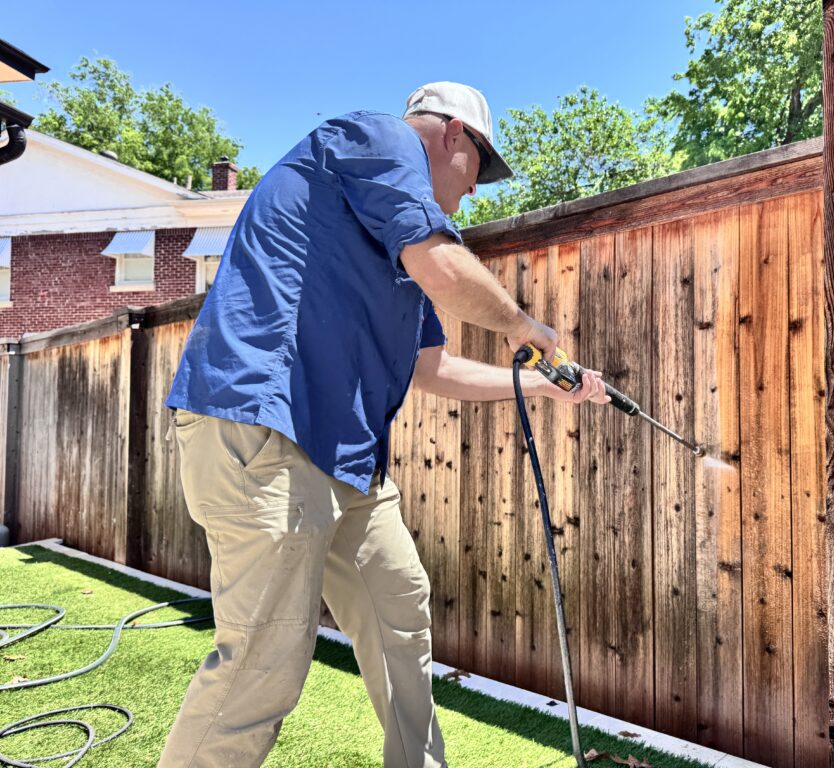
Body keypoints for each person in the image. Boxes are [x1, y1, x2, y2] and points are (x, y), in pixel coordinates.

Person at [158, 81, 609, 768]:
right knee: (261, 665)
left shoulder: (401, 245)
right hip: (267, 424)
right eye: (480, 169)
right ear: (453, 134)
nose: (477, 190)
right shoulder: (378, 140)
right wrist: (528, 328)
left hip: (346, 460)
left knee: (399, 604)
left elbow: (433, 369)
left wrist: (543, 384)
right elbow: (442, 264)